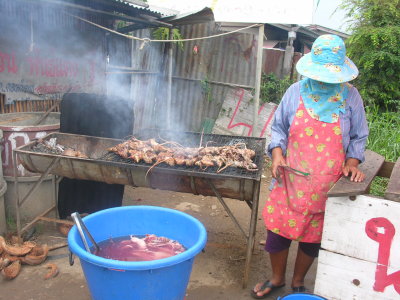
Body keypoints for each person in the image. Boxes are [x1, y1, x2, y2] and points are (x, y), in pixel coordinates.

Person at [251, 34, 369, 299]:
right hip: (290, 178)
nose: (325, 80)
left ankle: (298, 280)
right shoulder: (295, 92)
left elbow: (360, 136)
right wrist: (278, 155)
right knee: (278, 232)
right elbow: (279, 127)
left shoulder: (351, 97)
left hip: (326, 185)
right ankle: (277, 277)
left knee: (312, 238)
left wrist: (352, 162)